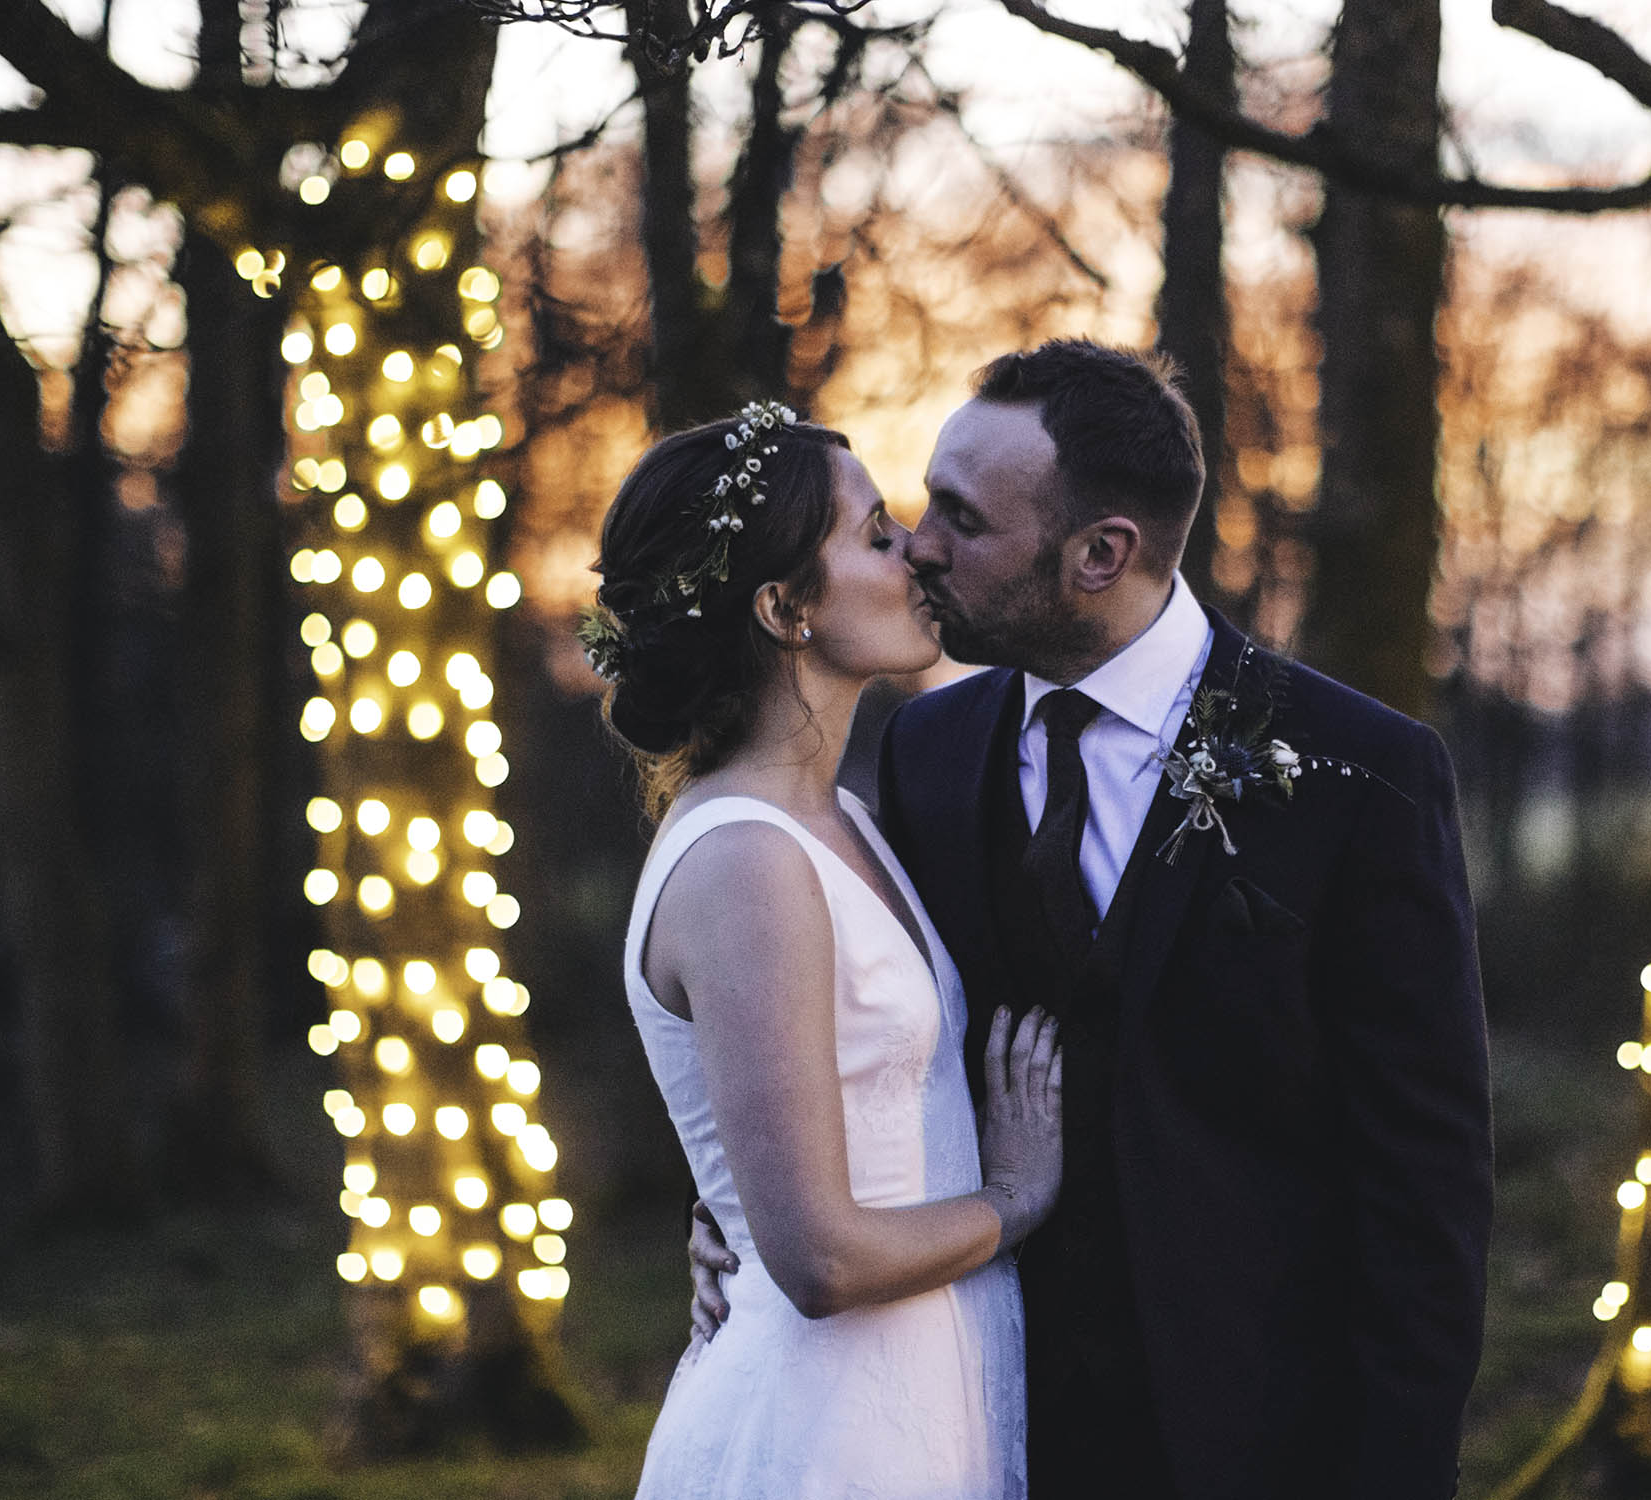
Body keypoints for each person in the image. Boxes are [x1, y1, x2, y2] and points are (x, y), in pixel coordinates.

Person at [687, 342, 1494, 1499]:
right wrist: (728, 1204)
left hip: (1258, 1436)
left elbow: (1428, 1181)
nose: (919, 544)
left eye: (962, 518)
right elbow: (849, 1024)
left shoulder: (1361, 774)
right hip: (984, 1412)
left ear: (1100, 553)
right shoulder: (929, 751)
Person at [590, 400, 1061, 1500]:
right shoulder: (745, 861)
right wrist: (1020, 1197)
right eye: (876, 532)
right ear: (784, 607)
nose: (916, 554)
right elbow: (818, 1259)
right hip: (825, 1435)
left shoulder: (847, 817)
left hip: (932, 1396)